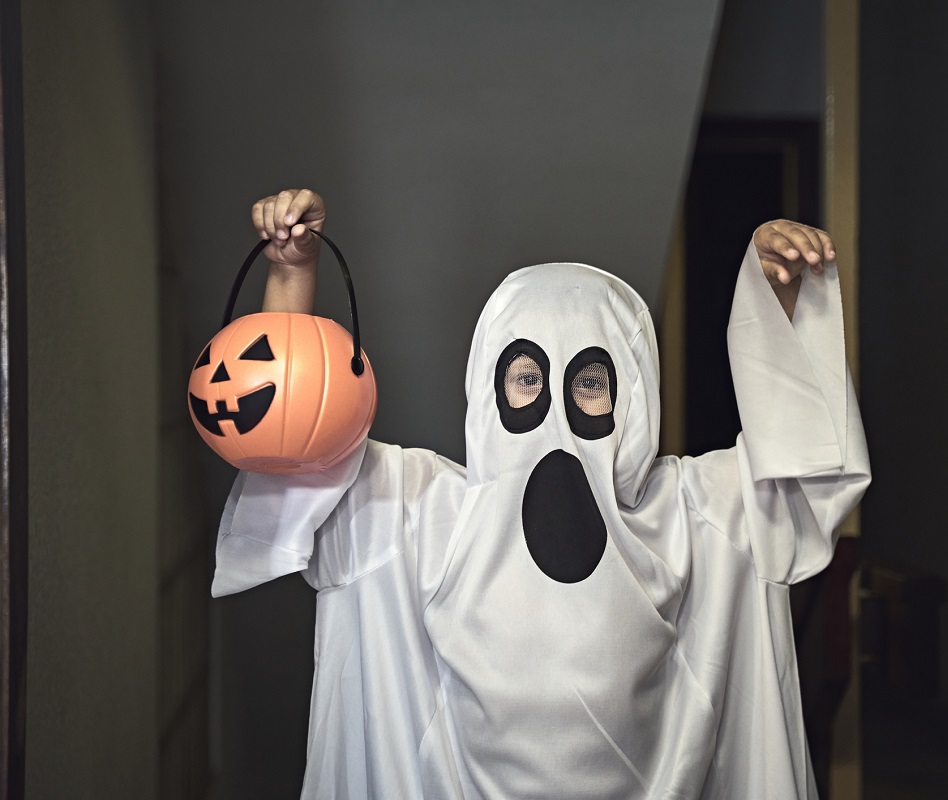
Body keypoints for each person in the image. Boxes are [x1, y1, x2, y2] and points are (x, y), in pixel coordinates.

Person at [213, 188, 870, 799]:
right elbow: (290, 446)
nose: (555, 406)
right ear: (488, 387)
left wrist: (778, 304)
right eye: (527, 378)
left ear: (633, 396)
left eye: (590, 381)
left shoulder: (692, 515)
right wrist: (291, 276)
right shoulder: (419, 512)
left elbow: (801, 471)